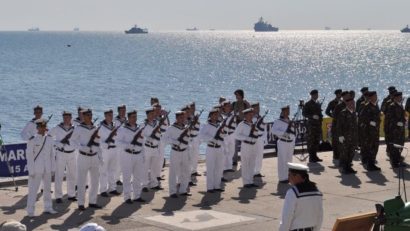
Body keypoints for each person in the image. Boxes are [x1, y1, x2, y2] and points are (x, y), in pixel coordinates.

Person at [70, 109, 103, 210]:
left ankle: (92, 201)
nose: (90, 117)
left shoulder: (95, 128)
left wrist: (100, 157)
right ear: (83, 117)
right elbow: (71, 141)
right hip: (83, 156)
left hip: (94, 157)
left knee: (95, 181)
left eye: (91, 115)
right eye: (87, 115)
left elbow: (99, 142)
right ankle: (81, 203)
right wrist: (82, 147)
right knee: (82, 181)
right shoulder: (79, 128)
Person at [26, 118, 57, 217]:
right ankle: (30, 211)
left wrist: (53, 169)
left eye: (44, 126)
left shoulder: (50, 139)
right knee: (33, 190)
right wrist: (31, 170)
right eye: (41, 127)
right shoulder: (32, 140)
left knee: (47, 189)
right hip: (36, 168)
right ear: (37, 128)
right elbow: (29, 156)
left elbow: (52, 155)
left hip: (47, 168)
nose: (43, 128)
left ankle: (48, 208)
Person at [279, 163, 323, 231]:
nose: (288, 178)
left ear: (297, 176)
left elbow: (287, 218)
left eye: (289, 175)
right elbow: (320, 215)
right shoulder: (318, 192)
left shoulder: (292, 193)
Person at [116, 110, 146, 203]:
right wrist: (128, 145)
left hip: (138, 154)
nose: (134, 118)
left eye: (135, 117)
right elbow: (117, 142)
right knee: (127, 177)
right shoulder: (123, 129)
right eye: (133, 117)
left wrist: (143, 154)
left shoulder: (139, 129)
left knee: (137, 177)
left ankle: (137, 196)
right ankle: (127, 197)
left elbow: (142, 143)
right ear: (128, 118)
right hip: (127, 155)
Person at [48, 111, 77, 203]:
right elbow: (48, 137)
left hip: (72, 154)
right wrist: (58, 144)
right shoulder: (57, 128)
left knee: (72, 175)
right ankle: (58, 196)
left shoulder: (75, 129)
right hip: (61, 153)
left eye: (68, 117)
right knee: (59, 175)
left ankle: (71, 195)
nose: (66, 119)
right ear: (63, 118)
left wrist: (73, 145)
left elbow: (80, 139)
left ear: (71, 118)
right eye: (65, 117)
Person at [163, 111, 192, 198]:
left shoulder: (186, 127)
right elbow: (164, 139)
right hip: (175, 151)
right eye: (181, 117)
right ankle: (172, 192)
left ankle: (183, 190)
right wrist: (175, 142)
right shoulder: (171, 128)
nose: (183, 119)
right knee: (173, 172)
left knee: (186, 171)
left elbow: (189, 139)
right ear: (177, 118)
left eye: (184, 117)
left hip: (185, 151)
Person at [199, 108, 226, 193]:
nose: (215, 116)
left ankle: (217, 185)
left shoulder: (219, 125)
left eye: (217, 115)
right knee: (210, 168)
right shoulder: (206, 126)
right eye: (214, 115)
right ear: (210, 116)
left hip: (219, 148)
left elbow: (224, 136)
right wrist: (212, 139)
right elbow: (201, 136)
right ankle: (210, 187)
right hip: (211, 148)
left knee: (219, 167)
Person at [98, 109, 121, 197]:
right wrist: (105, 144)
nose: (111, 117)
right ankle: (103, 190)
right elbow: (98, 140)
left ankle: (112, 188)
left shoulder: (114, 126)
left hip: (114, 149)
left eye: (111, 115)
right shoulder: (100, 126)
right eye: (109, 115)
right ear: (105, 116)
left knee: (112, 170)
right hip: (105, 151)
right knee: (103, 171)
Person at [234, 108, 259, 188]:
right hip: (246, 145)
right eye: (249, 115)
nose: (251, 116)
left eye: (252, 114)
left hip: (254, 145)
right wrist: (246, 138)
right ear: (245, 115)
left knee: (252, 163)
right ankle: (246, 182)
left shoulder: (253, 124)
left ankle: (251, 181)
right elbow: (236, 135)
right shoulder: (242, 124)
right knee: (245, 164)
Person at [271, 106, 296, 184]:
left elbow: (294, 133)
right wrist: (284, 133)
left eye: (288, 111)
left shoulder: (290, 121)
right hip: (283, 142)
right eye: (286, 111)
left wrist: (293, 142)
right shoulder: (278, 121)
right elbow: (273, 131)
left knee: (289, 160)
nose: (287, 112)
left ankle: (288, 176)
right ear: (282, 112)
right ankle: (282, 178)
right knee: (282, 160)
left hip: (290, 143)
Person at [143, 107, 165, 190]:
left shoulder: (157, 123)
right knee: (145, 167)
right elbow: (141, 136)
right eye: (150, 114)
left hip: (155, 148)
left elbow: (160, 134)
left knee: (154, 167)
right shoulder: (143, 124)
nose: (152, 116)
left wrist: (158, 133)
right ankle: (144, 185)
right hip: (147, 147)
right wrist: (148, 138)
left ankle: (154, 183)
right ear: (147, 115)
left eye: (153, 114)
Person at [359, 91, 381, 171]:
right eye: (374, 96)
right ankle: (369, 165)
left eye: (376, 96)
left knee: (375, 148)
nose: (376, 97)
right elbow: (362, 118)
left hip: (375, 131)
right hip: (369, 132)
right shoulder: (367, 106)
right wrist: (371, 122)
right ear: (370, 98)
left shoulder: (375, 106)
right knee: (370, 148)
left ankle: (372, 164)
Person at [337, 98, 358, 174]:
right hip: (345, 137)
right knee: (345, 153)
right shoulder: (343, 113)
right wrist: (340, 136)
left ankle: (349, 167)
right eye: (351, 104)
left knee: (351, 153)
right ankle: (345, 168)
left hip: (353, 137)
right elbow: (339, 125)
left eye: (354, 104)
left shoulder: (354, 113)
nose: (353, 105)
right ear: (347, 104)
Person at [385, 92, 406, 168]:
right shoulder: (392, 106)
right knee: (394, 147)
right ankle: (394, 162)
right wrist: (397, 123)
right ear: (395, 98)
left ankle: (398, 160)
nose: (401, 98)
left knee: (400, 145)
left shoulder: (400, 105)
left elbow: (402, 116)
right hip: (394, 130)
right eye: (400, 97)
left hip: (400, 130)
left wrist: (404, 122)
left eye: (401, 97)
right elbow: (390, 118)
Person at [302, 90, 323, 163]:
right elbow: (304, 113)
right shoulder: (308, 104)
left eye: (317, 94)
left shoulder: (317, 103)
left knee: (316, 141)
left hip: (318, 125)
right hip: (311, 125)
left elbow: (319, 113)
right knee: (311, 141)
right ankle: (311, 157)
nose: (317, 96)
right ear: (312, 95)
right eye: (315, 95)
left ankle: (315, 155)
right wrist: (312, 116)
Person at [231, 89, 251, 166]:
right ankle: (234, 160)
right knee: (235, 143)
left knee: (244, 144)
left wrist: (248, 104)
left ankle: (244, 161)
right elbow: (229, 112)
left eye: (237, 95)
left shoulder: (245, 103)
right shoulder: (234, 104)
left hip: (244, 124)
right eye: (235, 95)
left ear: (241, 95)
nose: (236, 96)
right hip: (236, 124)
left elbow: (250, 112)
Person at [251, 102, 267, 178]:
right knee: (253, 155)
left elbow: (264, 129)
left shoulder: (260, 117)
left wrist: (264, 139)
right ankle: (252, 171)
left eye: (259, 108)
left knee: (260, 155)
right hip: (254, 139)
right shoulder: (250, 118)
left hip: (260, 138)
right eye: (256, 108)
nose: (258, 109)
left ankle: (257, 171)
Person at [221, 100, 237, 173]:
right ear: (224, 107)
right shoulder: (221, 115)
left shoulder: (233, 114)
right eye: (227, 106)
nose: (228, 107)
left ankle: (229, 166)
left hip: (232, 134)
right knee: (224, 151)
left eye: (229, 106)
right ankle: (223, 167)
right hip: (225, 135)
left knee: (231, 151)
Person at [114, 104, 127, 186]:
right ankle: (116, 179)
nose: (123, 112)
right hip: (117, 144)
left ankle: (118, 178)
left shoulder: (126, 120)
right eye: (121, 110)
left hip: (125, 144)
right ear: (118, 111)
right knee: (117, 163)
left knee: (123, 163)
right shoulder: (115, 120)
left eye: (124, 110)